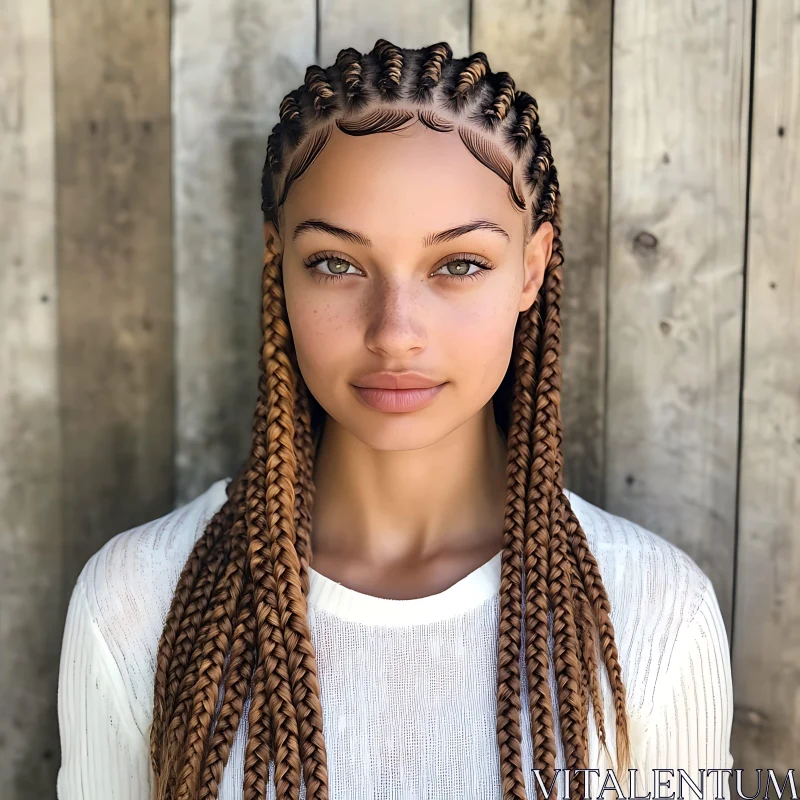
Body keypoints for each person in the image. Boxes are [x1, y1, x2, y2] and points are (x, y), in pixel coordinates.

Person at [56, 39, 734, 800]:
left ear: (532, 268)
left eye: (460, 265)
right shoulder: (134, 604)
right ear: (277, 262)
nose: (394, 331)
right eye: (336, 263)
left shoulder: (660, 612)